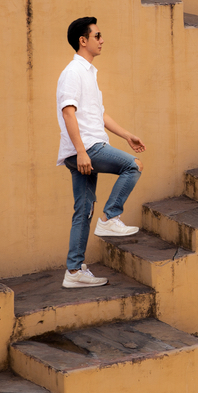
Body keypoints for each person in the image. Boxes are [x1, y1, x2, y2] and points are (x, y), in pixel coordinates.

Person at [56, 16, 146, 288]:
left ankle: (73, 273)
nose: (102, 40)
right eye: (97, 36)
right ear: (83, 41)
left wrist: (126, 134)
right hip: (88, 148)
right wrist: (82, 151)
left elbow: (99, 114)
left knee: (83, 210)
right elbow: (68, 112)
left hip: (84, 149)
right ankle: (110, 217)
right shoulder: (73, 72)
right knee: (133, 166)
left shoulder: (89, 74)